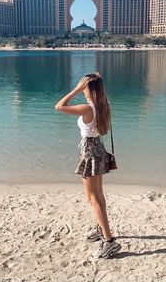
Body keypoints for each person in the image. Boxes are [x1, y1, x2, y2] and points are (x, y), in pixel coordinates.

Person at [55, 72, 120, 259]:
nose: (83, 91)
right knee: (98, 195)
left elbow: (59, 106)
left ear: (89, 89)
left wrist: (75, 89)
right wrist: (95, 81)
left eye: (84, 88)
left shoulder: (87, 108)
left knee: (93, 198)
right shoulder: (104, 106)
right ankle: (102, 230)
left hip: (91, 152)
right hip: (98, 148)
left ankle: (109, 242)